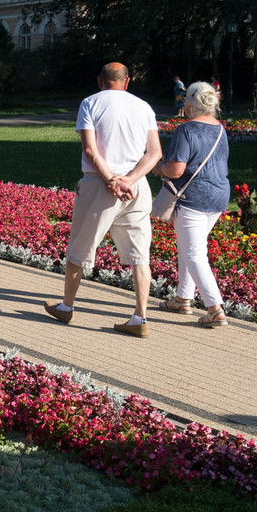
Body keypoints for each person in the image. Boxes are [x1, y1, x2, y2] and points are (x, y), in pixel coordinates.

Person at [44, 62, 162, 337]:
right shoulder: (144, 106)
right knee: (140, 255)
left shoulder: (90, 103)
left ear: (99, 81)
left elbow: (89, 149)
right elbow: (154, 153)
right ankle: (140, 317)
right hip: (137, 189)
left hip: (100, 185)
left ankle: (67, 307)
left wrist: (111, 180)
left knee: (79, 248)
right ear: (127, 81)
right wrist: (129, 180)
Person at [151, 82, 230, 328]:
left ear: (189, 104)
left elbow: (176, 169)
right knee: (189, 247)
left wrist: (158, 168)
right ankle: (183, 298)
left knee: (194, 253)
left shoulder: (186, 130)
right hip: (218, 197)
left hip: (192, 199)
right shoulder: (220, 129)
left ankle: (215, 309)